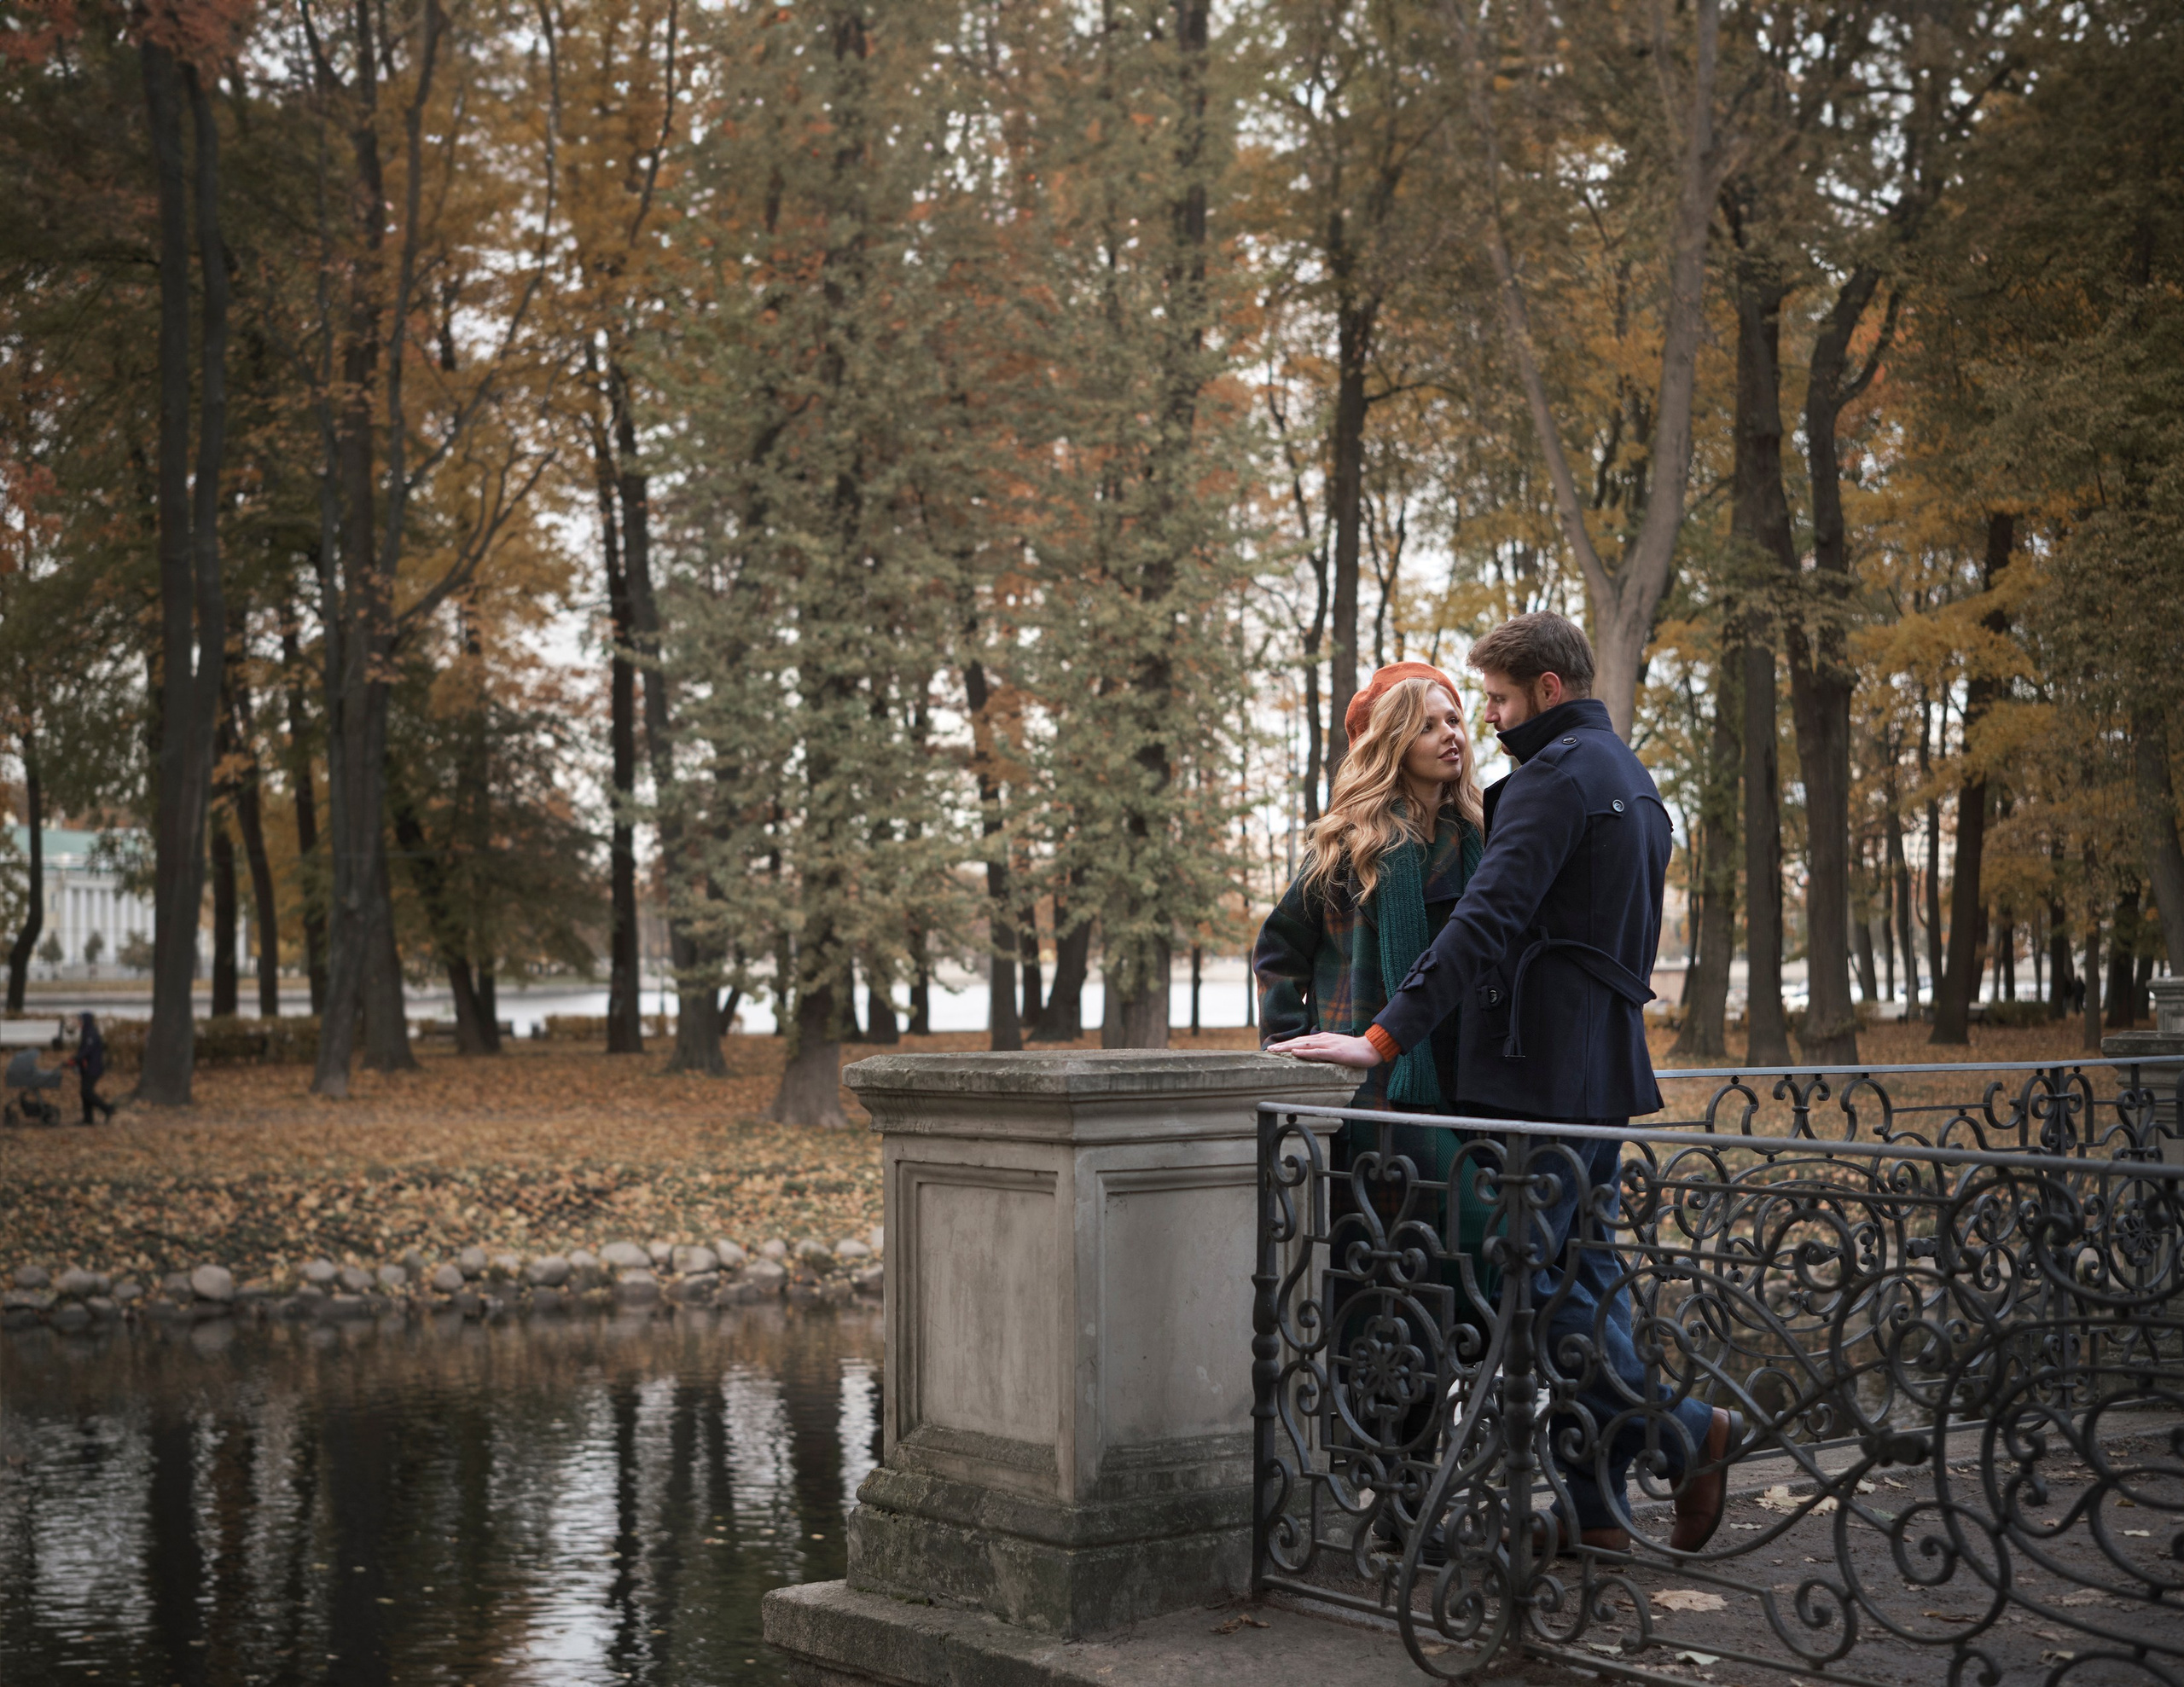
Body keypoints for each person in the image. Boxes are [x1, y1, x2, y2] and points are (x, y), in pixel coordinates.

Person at [1270, 612, 1735, 1557]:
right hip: (1409, 1114)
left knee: (1526, 1294)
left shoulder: (1509, 811)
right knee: (1490, 1294)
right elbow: (1282, 951)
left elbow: (1486, 935)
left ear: (1544, 693)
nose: (1467, 727)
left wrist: (1384, 1035)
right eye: (1440, 716)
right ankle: (1587, 1505)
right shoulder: (1356, 845)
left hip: (1497, 1095)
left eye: (1477, 706)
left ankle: (1676, 1440)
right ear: (1393, 739)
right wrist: (1302, 1045)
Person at [67, 1012, 115, 1125]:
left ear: (85, 1021)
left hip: (93, 1068)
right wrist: (75, 1059)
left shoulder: (91, 1034)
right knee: (85, 1092)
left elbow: (86, 1051)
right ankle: (88, 1119)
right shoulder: (87, 1032)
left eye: (80, 1020)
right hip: (87, 1068)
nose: (79, 1023)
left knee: (87, 1092)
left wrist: (75, 1059)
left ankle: (107, 1109)